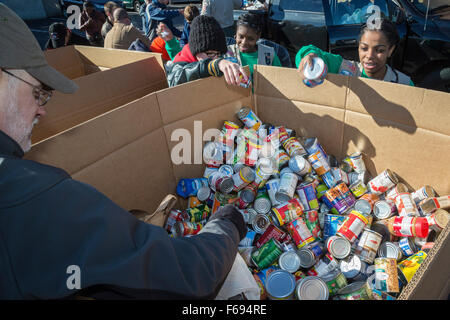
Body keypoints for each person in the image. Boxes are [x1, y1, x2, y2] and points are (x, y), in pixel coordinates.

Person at [0, 3, 246, 299]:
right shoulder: (33, 196)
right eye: (38, 92)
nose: (42, 109)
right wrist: (227, 223)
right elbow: (184, 274)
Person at [296, 18, 414, 86]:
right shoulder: (344, 69)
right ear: (358, 47)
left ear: (390, 50)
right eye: (364, 48)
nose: (370, 56)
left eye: (379, 50)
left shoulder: (404, 83)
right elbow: (310, 52)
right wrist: (309, 55)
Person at [161, 16, 248, 88]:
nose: (216, 58)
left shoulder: (219, 56)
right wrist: (210, 66)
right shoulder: (182, 60)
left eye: (219, 54)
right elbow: (173, 81)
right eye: (210, 53)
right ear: (197, 51)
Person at [225, 12, 282, 80]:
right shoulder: (227, 53)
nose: (244, 42)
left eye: (250, 39)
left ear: (258, 37)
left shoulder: (269, 55)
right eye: (241, 36)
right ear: (236, 34)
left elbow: (279, 77)